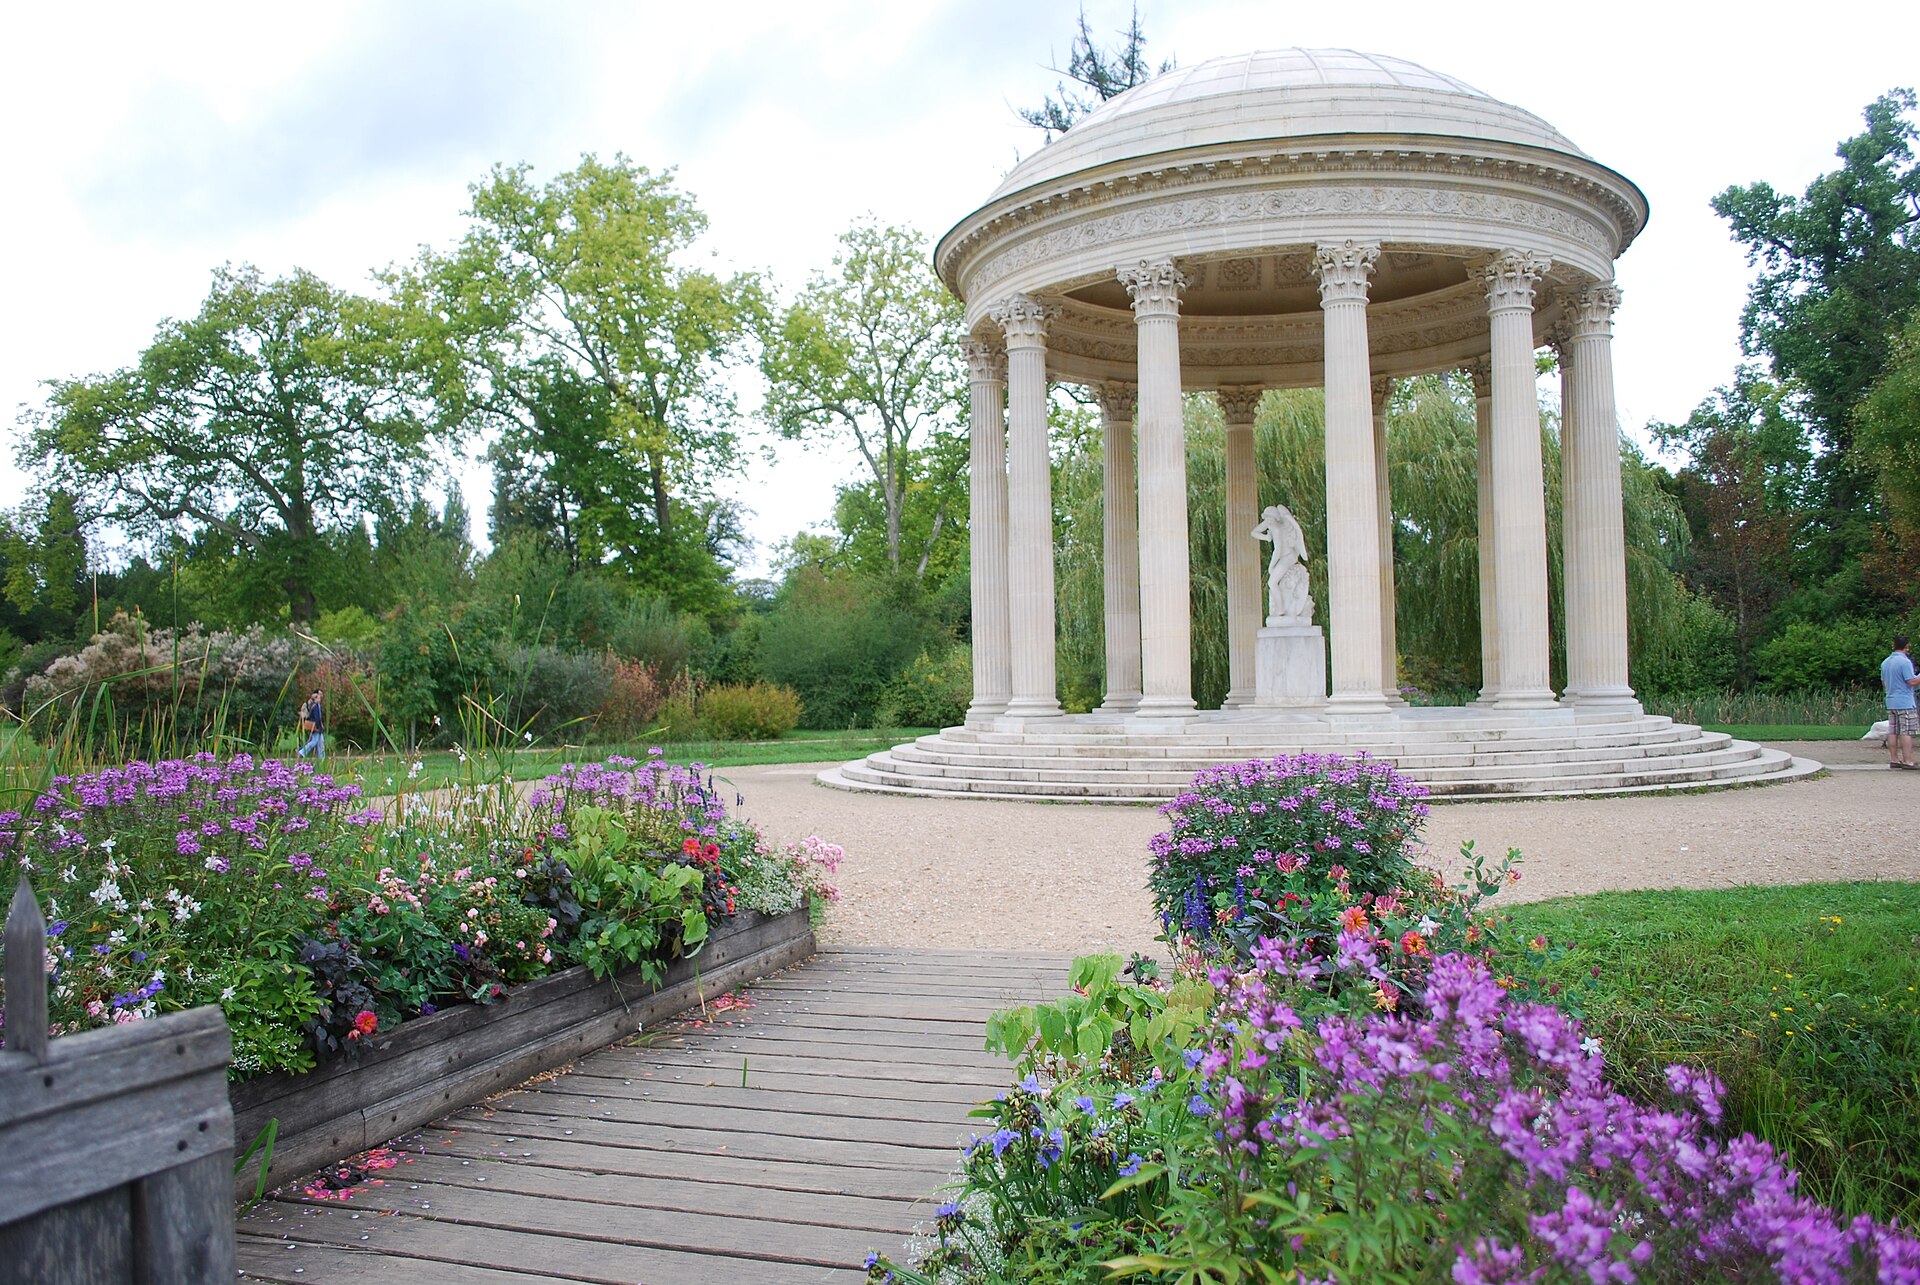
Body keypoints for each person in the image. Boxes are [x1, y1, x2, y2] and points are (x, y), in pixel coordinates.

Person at [1882, 635, 1920, 770]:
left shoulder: (1885, 662)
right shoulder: (1905, 662)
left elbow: (1884, 682)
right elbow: (1911, 681)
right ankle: (1907, 760)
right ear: (1907, 646)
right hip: (1904, 701)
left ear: (1894, 646)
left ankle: (1894, 759)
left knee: (1893, 731)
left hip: (1891, 700)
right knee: (1906, 731)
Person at [295, 690, 326, 760]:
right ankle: (301, 752)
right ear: (315, 697)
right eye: (319, 696)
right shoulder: (315, 706)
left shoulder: (317, 705)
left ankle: (321, 758)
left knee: (320, 742)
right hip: (315, 727)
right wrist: (319, 727)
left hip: (318, 727)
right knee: (314, 742)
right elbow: (316, 718)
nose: (320, 697)